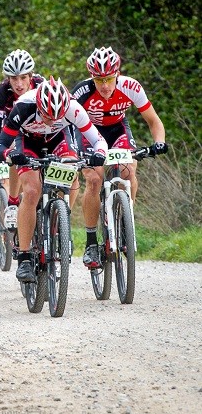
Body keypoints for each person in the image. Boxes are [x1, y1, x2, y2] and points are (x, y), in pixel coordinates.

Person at [0, 77, 108, 283]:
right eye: (47, 115)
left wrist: (99, 153)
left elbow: (98, 140)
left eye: (58, 116)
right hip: (27, 141)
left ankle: (60, 218)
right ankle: (25, 257)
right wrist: (10, 156)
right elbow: (0, 146)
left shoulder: (73, 108)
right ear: (39, 105)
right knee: (31, 191)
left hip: (58, 139)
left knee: (72, 165)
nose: (52, 120)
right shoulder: (23, 107)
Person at [72, 47, 167, 268]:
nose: (104, 85)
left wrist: (159, 142)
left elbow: (153, 121)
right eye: (98, 80)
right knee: (94, 179)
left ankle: (126, 221)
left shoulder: (131, 87)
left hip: (118, 130)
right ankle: (91, 243)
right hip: (88, 132)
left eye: (108, 79)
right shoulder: (81, 91)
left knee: (128, 170)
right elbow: (69, 122)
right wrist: (75, 151)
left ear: (117, 74)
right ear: (91, 77)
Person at [0, 49, 44, 230]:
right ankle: (12, 202)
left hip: (43, 128)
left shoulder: (42, 86)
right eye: (13, 78)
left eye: (23, 78)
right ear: (8, 79)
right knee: (11, 149)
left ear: (31, 76)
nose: (19, 84)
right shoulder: (2, 92)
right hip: (17, 129)